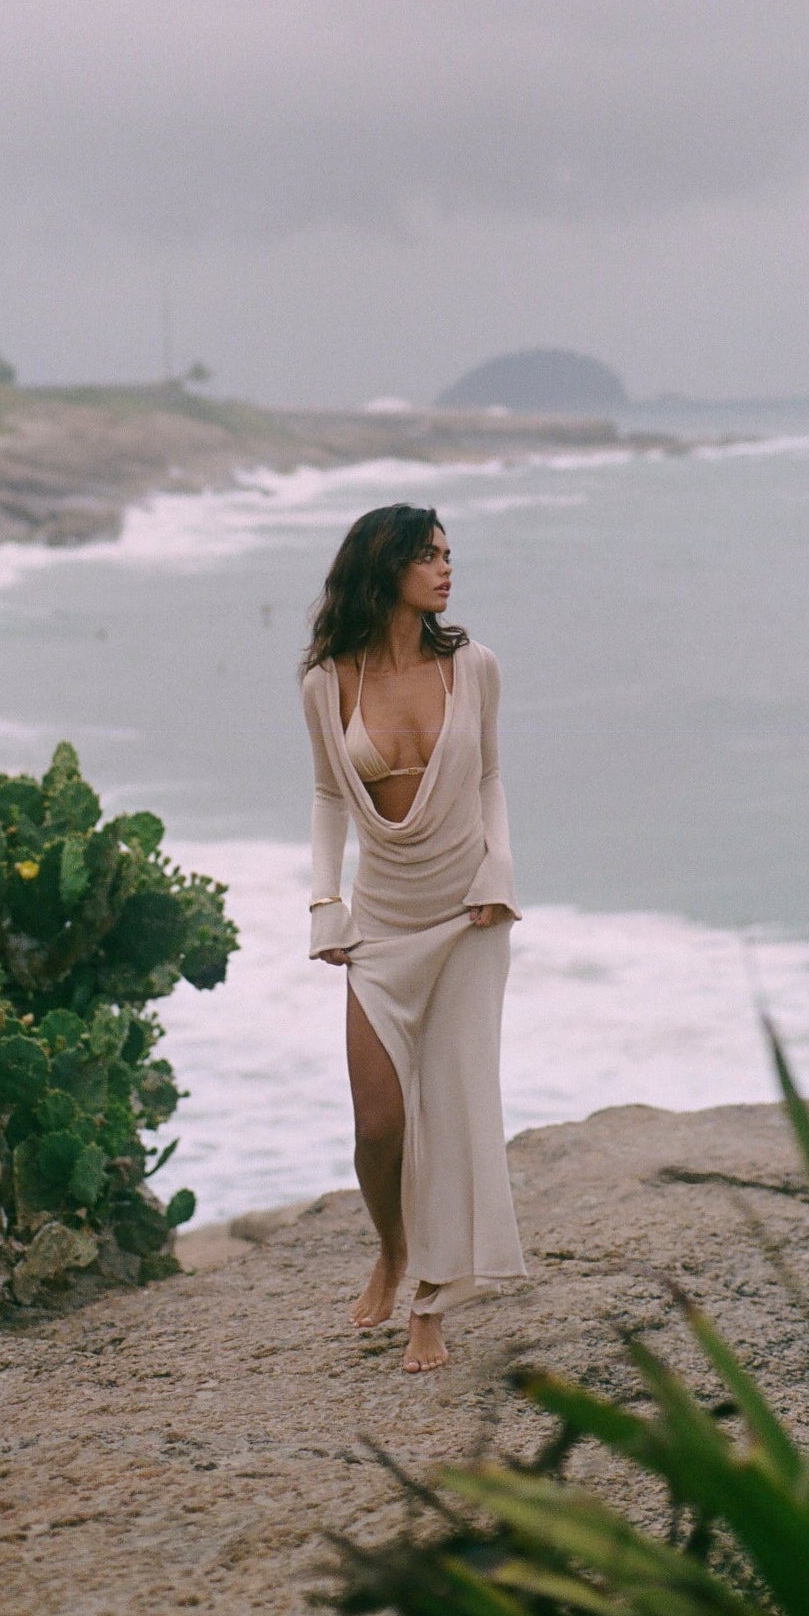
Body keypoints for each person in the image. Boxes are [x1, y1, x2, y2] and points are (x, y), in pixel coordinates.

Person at [302, 503, 525, 1372]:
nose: (444, 570)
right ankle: (392, 1249)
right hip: (384, 921)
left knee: (453, 1112)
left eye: (446, 556)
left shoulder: (475, 667)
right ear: (381, 567)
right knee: (378, 1123)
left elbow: (494, 776)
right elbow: (328, 797)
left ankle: (430, 1304)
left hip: (469, 914)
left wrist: (499, 869)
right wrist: (325, 902)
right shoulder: (328, 681)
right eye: (426, 557)